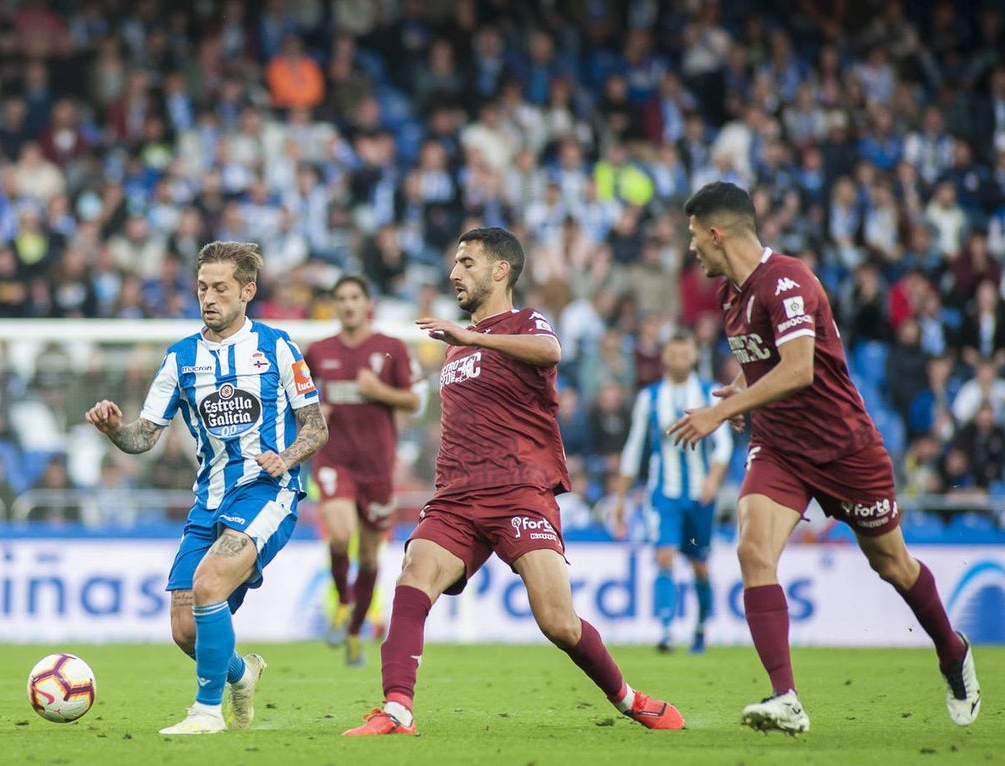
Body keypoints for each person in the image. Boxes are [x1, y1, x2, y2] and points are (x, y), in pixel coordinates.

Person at [343, 227, 684, 736]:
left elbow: (550, 351)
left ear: (501, 269)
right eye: (454, 263)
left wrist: (471, 336)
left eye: (467, 262)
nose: (454, 273)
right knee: (413, 576)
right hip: (456, 498)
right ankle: (397, 709)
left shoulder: (524, 323)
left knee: (558, 622)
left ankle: (629, 698)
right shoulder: (456, 350)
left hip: (519, 492)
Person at [668, 182, 981, 734]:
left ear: (717, 234)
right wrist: (739, 391)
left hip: (844, 448)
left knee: (892, 565)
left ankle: (951, 651)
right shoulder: (729, 297)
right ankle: (785, 696)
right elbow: (765, 363)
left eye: (694, 236)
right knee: (752, 548)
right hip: (780, 447)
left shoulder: (787, 280)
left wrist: (724, 411)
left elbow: (799, 369)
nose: (691, 248)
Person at [85, 241, 328, 735]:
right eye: (202, 288)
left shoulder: (277, 346)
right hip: (209, 500)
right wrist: (114, 430)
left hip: (267, 491)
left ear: (247, 291)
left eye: (220, 288)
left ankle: (205, 713)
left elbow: (316, 428)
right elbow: (143, 438)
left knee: (209, 583)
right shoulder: (180, 359)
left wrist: (284, 458)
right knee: (184, 629)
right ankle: (242, 672)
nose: (209, 297)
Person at [305, 275, 425, 665]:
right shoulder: (318, 352)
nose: (348, 304)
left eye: (355, 297)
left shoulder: (391, 350)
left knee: (371, 559)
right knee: (339, 536)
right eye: (341, 298)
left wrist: (379, 392)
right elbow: (297, 403)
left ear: (367, 302)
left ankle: (356, 629)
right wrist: (312, 415)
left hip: (377, 467)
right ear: (335, 305)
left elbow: (415, 402)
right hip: (334, 460)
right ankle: (342, 602)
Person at [613, 329, 732, 654]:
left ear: (694, 355)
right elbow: (634, 447)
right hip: (663, 494)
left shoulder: (710, 394)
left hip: (699, 496)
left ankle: (700, 626)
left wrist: (712, 480)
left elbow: (723, 446)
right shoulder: (649, 397)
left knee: (699, 564)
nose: (679, 359)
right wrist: (621, 498)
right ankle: (665, 630)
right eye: (674, 354)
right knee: (664, 555)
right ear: (664, 357)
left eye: (685, 354)